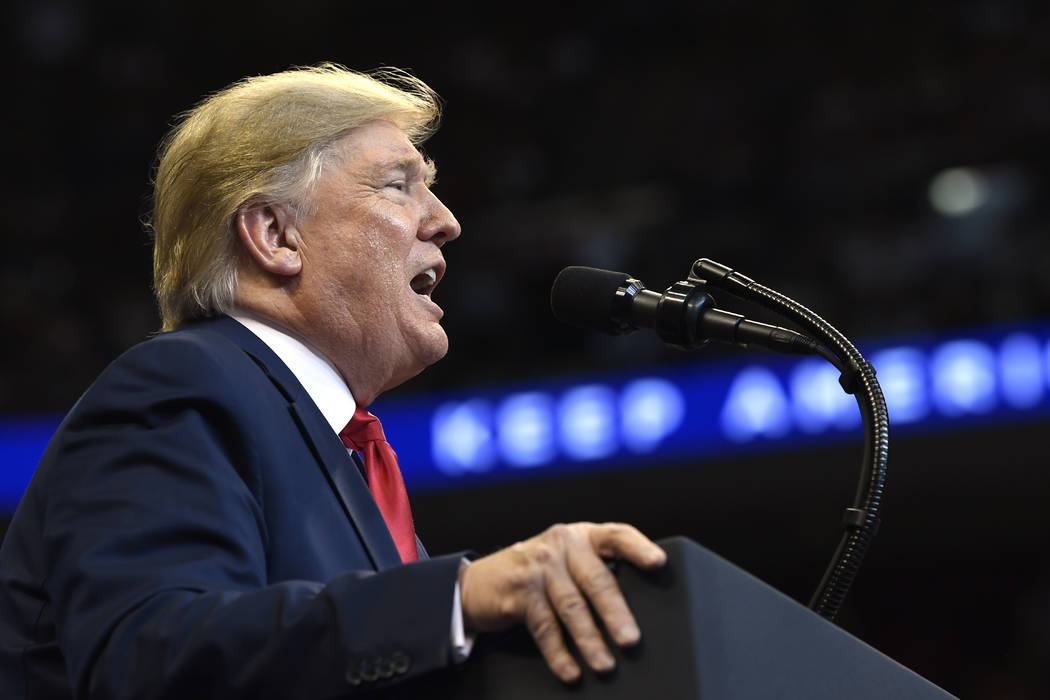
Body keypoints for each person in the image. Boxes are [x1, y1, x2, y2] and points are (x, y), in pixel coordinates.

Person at [0, 64, 666, 699]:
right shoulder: (183, 382)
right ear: (275, 235)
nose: (445, 220)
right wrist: (458, 598)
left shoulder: (338, 451)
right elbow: (150, 657)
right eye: (399, 185)